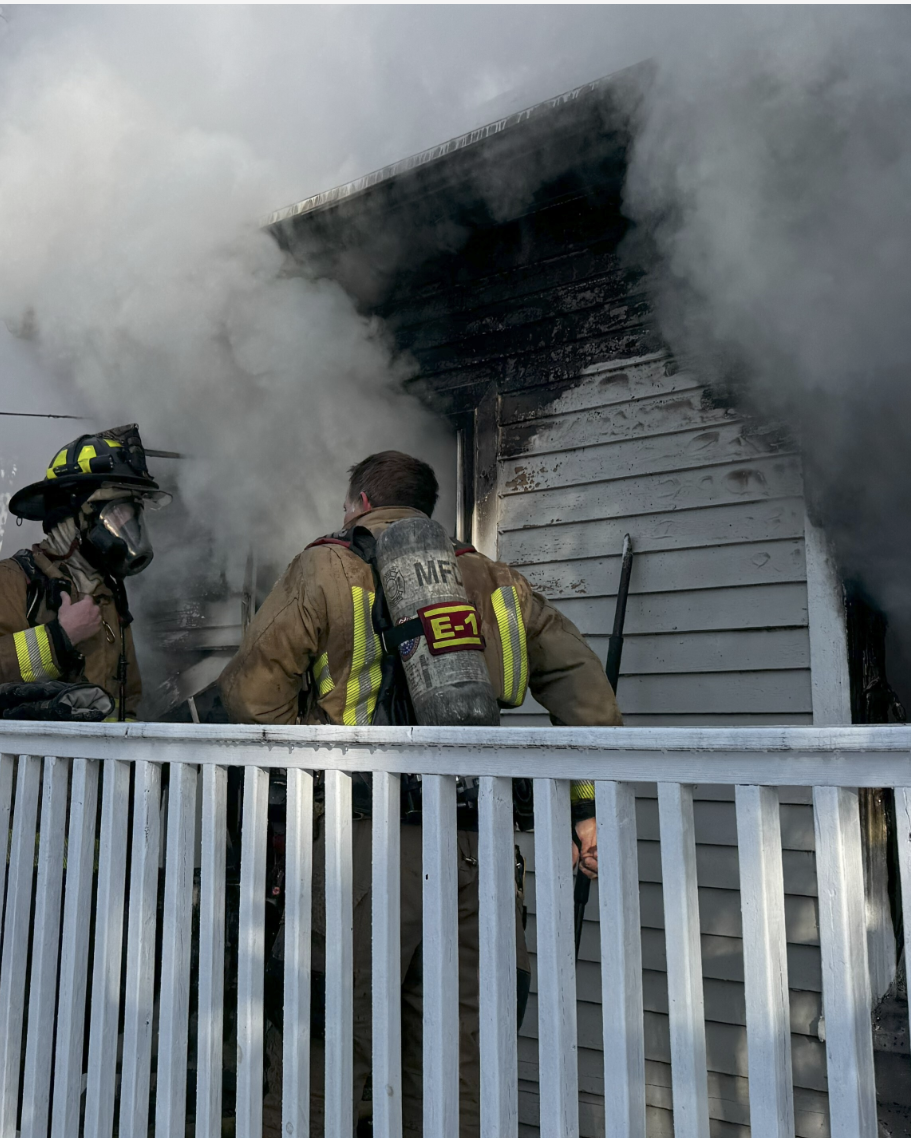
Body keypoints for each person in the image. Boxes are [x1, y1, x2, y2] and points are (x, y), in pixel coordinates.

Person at [217, 450, 619, 1137]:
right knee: (458, 1060)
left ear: (359, 503)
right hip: (475, 850)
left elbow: (250, 699)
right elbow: (586, 695)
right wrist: (589, 811)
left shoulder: (325, 567)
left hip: (361, 844)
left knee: (327, 1039)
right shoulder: (491, 579)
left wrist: (311, 777)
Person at [0, 424, 168, 720]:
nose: (129, 530)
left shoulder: (107, 597)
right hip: (24, 765)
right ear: (75, 518)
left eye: (134, 516)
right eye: (118, 514)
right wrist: (59, 638)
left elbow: (127, 703)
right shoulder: (7, 582)